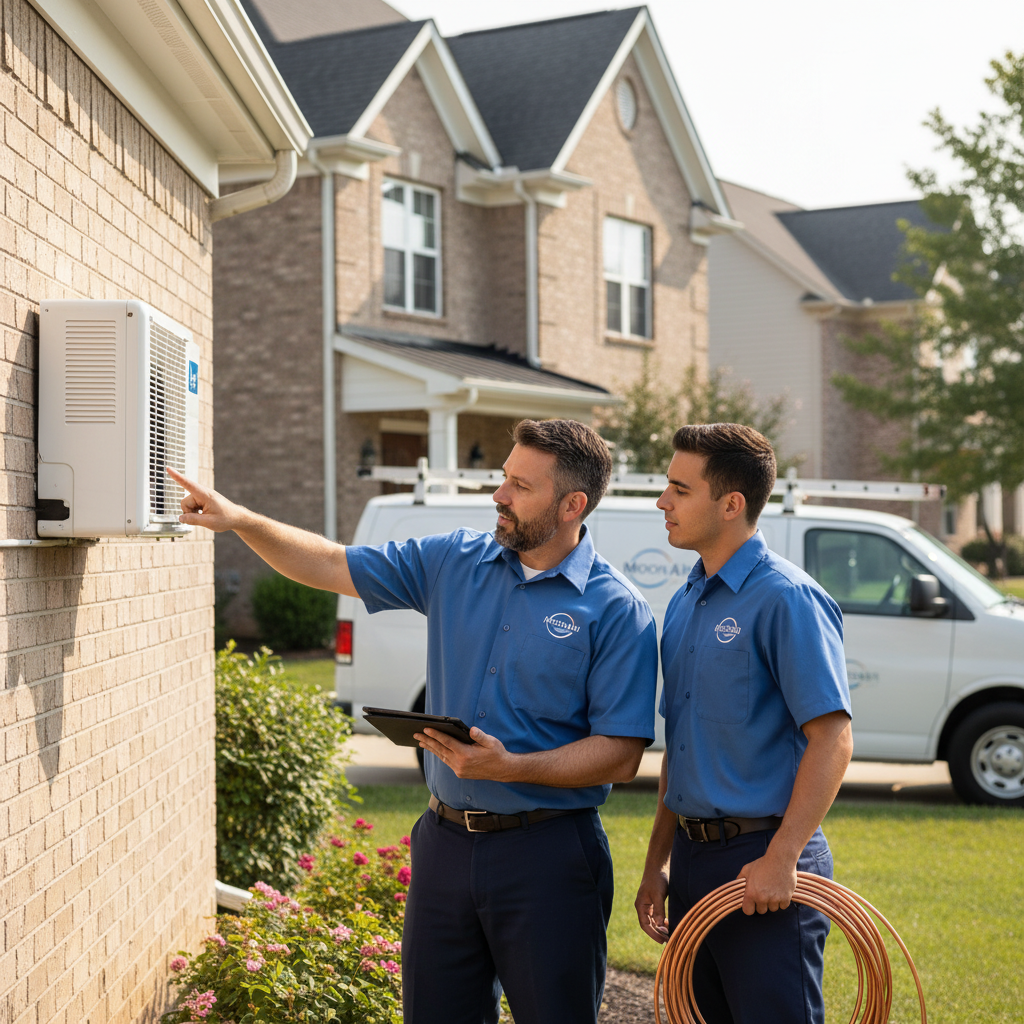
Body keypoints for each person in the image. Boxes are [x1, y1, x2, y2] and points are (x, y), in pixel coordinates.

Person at [170, 418, 658, 1024]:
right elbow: (330, 564)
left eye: (520, 486)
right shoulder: (454, 559)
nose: (499, 496)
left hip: (549, 856)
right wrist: (242, 519)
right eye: (503, 478)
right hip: (443, 847)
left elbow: (620, 752)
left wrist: (510, 768)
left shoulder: (617, 610)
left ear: (571, 505)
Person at [634, 423, 852, 1024]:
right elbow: (683, 748)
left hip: (767, 861)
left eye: (679, 489)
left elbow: (832, 737)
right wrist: (657, 864)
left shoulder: (788, 598)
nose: (662, 502)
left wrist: (782, 858)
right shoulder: (686, 600)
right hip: (695, 863)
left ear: (731, 504)